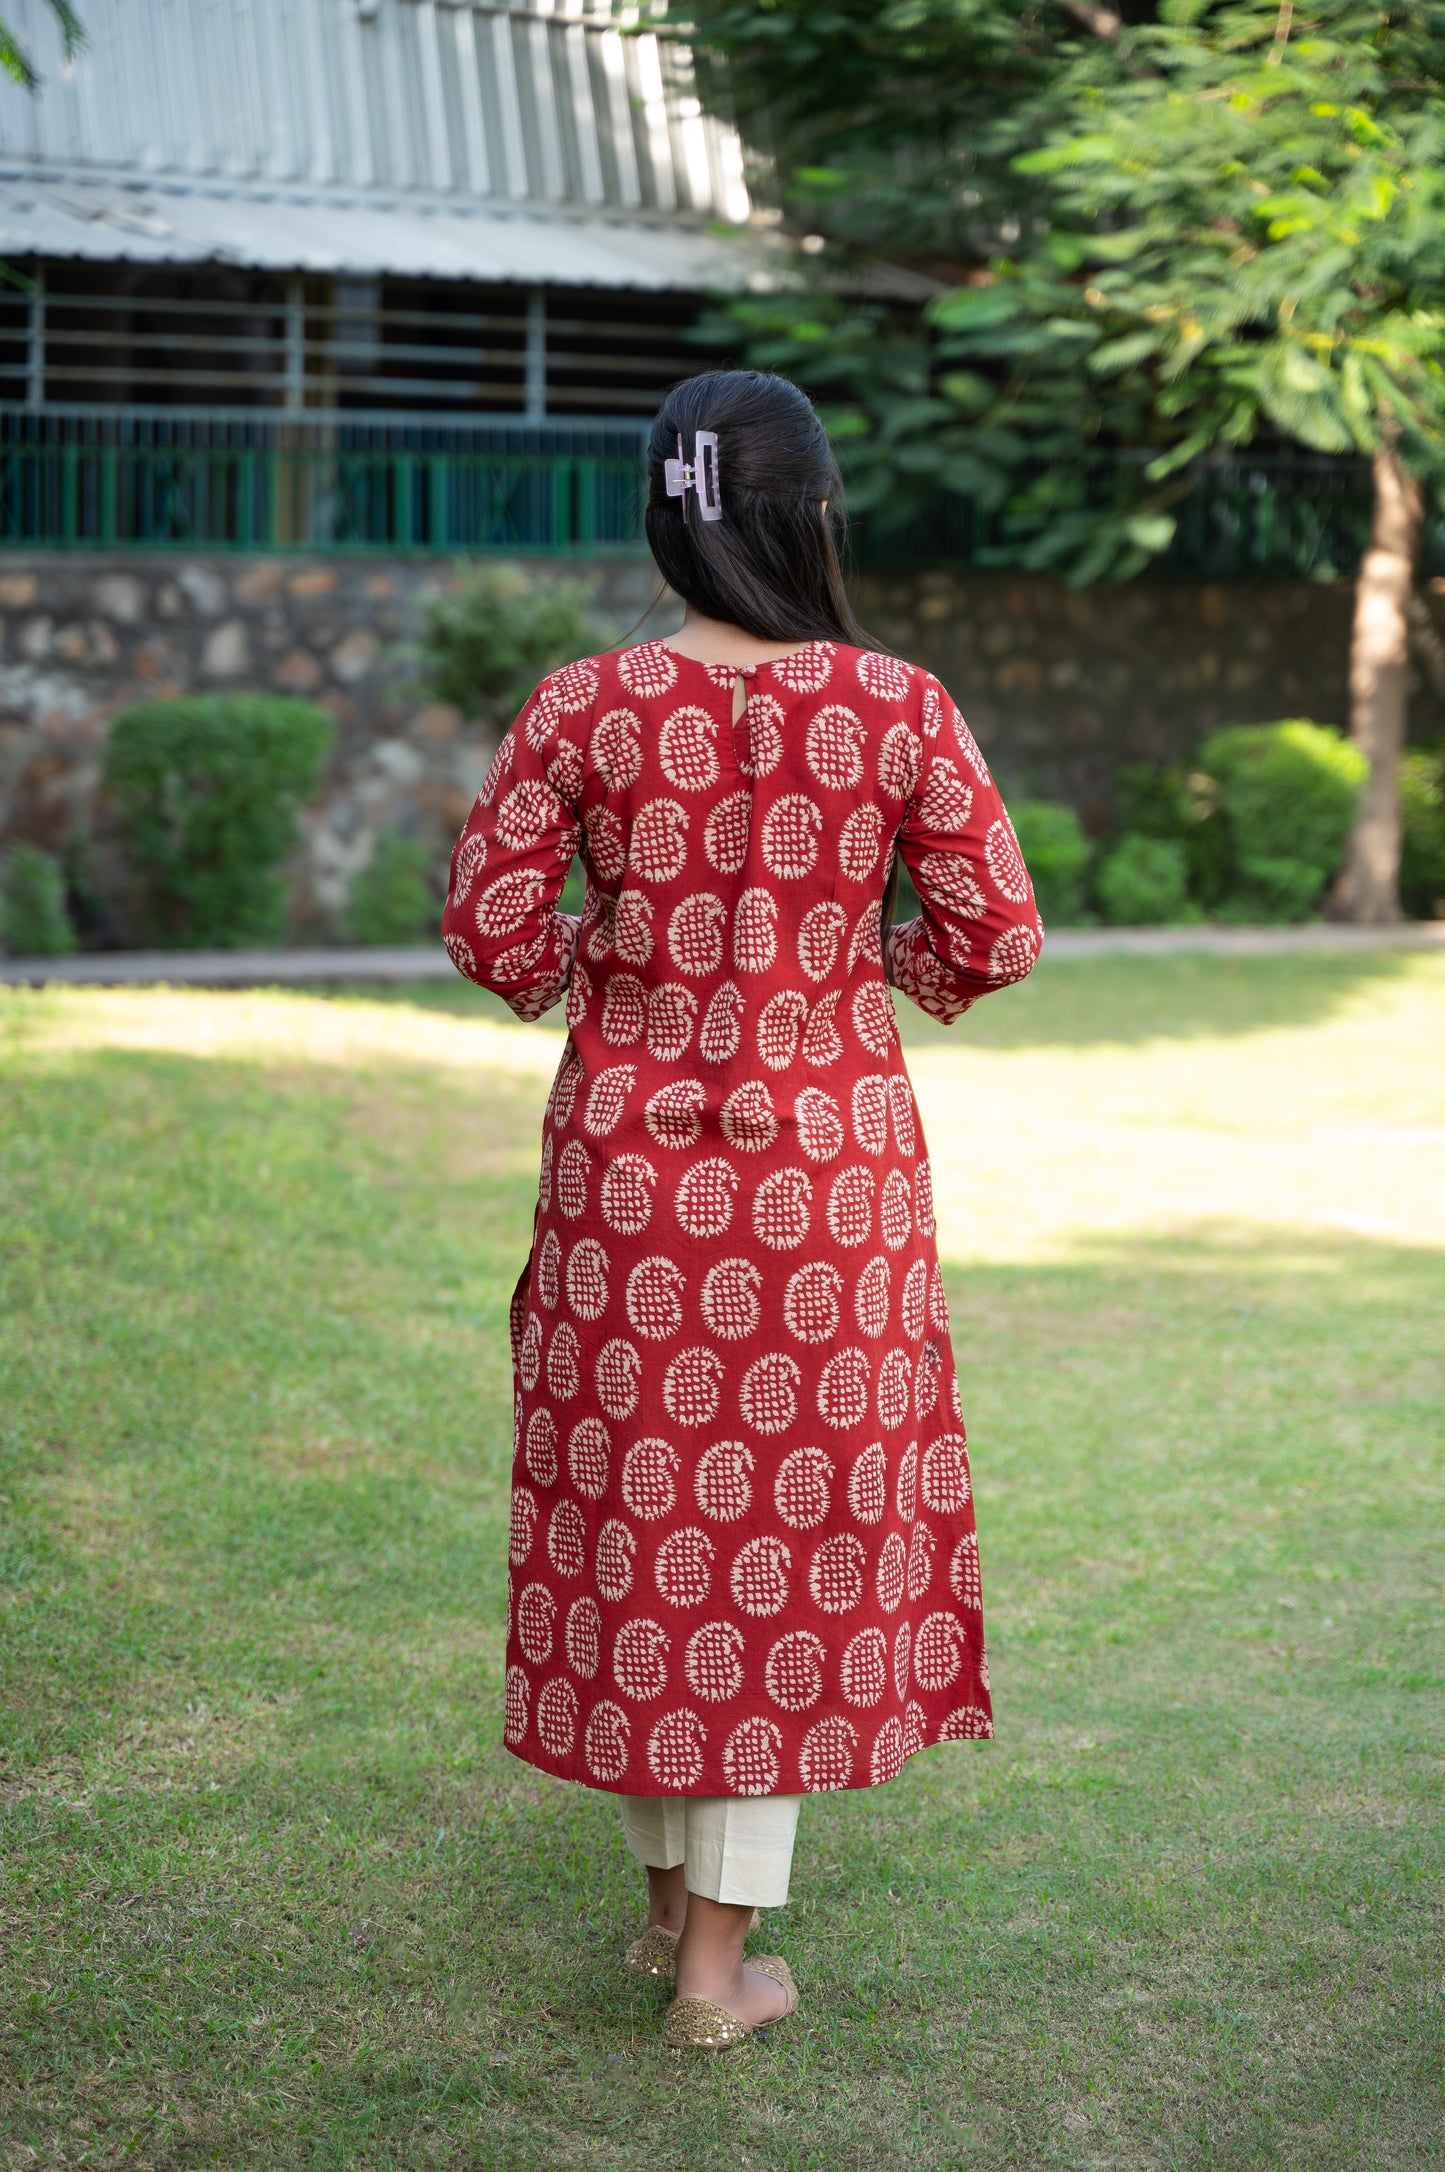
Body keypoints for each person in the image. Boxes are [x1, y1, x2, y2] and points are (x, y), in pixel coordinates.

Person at [442, 369, 1041, 2051]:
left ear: (667, 512)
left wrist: (611, 973)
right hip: (823, 1169)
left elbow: (489, 926)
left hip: (625, 1164)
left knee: (646, 1506)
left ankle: (662, 1922)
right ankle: (719, 1966)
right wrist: (865, 979)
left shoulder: (585, 704)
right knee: (785, 1517)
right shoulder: (897, 706)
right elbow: (992, 932)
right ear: (812, 515)